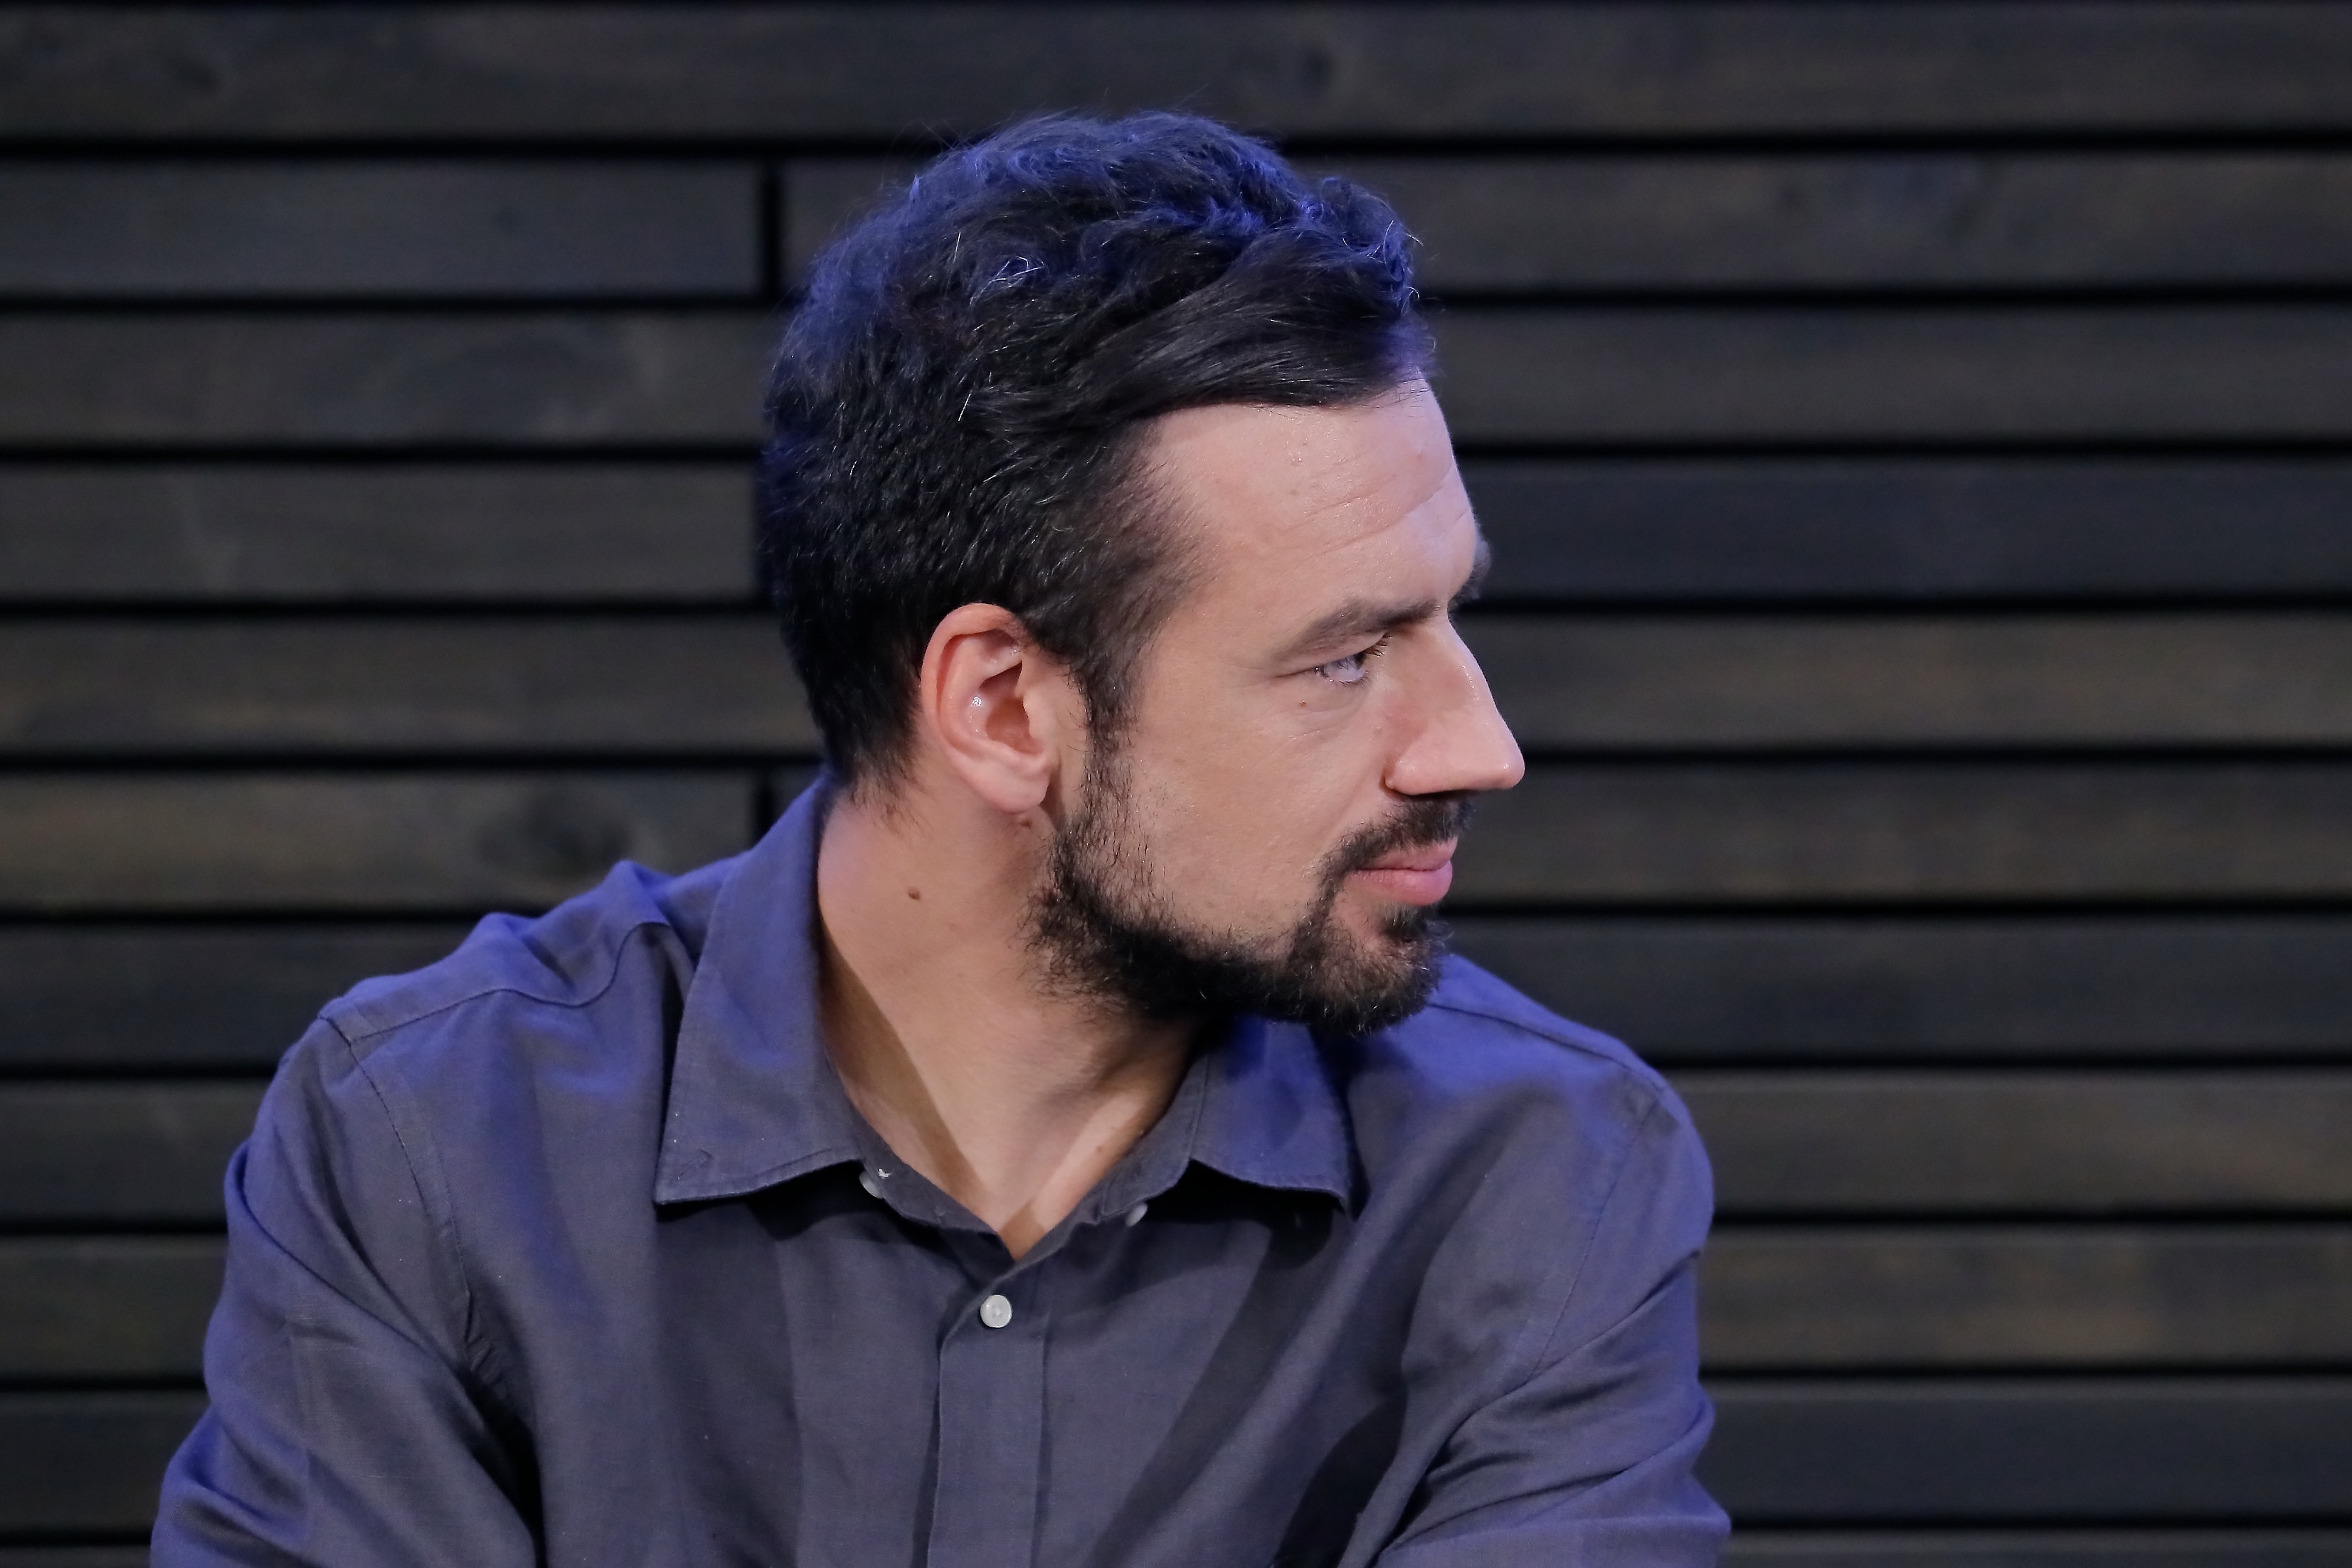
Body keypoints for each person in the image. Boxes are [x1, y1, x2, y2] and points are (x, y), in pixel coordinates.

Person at [154, 112, 1725, 1567]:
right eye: (1346, 657)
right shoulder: (436, 1142)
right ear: (1002, 706)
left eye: (1450, 616)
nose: (1480, 747)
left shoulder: (1544, 1174)